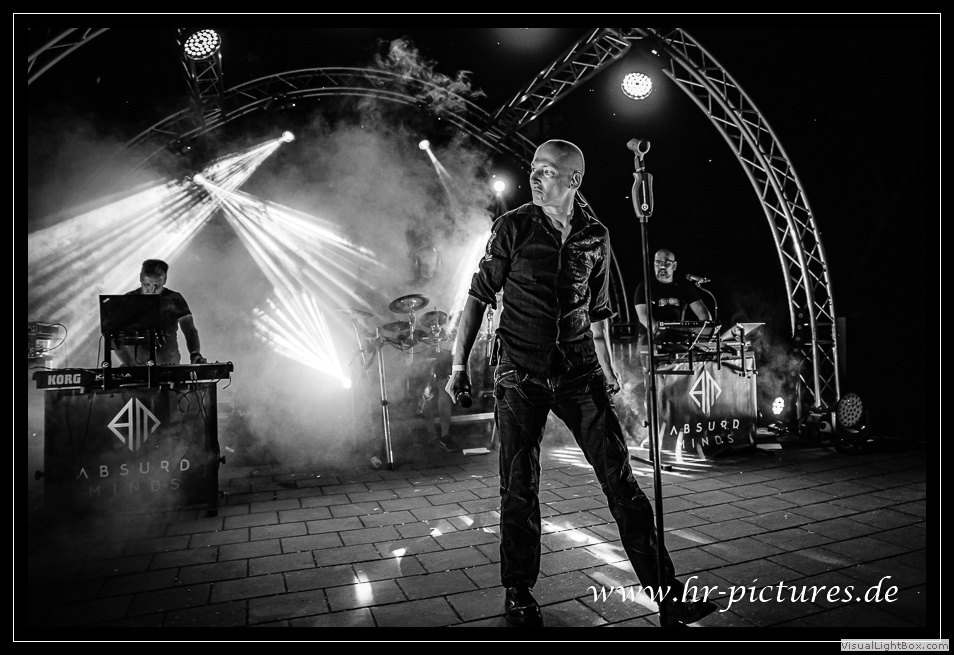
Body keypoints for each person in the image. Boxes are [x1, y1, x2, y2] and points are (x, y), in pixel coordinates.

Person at [444, 139, 717, 627]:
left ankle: (668, 596)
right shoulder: (512, 227)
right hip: (520, 375)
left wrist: (608, 369)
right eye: (533, 169)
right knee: (519, 487)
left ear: (573, 180)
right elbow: (477, 297)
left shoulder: (596, 236)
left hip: (578, 373)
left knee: (621, 480)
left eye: (547, 171)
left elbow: (599, 312)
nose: (535, 177)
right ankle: (518, 592)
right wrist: (458, 366)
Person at [112, 259, 207, 366]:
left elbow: (189, 329)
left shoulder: (174, 299)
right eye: (147, 284)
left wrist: (195, 354)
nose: (151, 290)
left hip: (169, 364)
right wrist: (128, 363)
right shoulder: (128, 300)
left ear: (164, 281)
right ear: (140, 278)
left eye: (157, 286)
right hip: (137, 367)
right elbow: (112, 335)